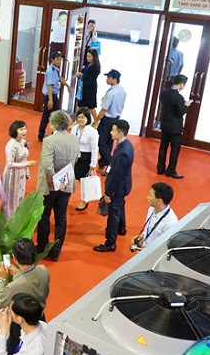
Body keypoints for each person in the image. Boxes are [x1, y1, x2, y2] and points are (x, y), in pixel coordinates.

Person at [36, 111, 79, 261]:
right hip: (66, 183)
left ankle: (42, 248)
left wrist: (55, 182)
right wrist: (61, 181)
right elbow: (75, 160)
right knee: (61, 218)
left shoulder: (49, 141)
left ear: (53, 124)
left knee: (44, 216)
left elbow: (47, 166)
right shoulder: (74, 139)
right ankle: (56, 252)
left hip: (49, 186)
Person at [94, 120, 134, 252]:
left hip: (117, 187)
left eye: (113, 130)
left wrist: (108, 193)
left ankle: (110, 242)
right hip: (124, 184)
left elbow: (117, 175)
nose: (111, 132)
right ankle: (121, 228)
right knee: (120, 206)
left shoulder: (122, 152)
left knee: (113, 212)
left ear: (120, 133)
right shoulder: (127, 145)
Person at [0, 238, 50, 313]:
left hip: (24, 319)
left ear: (14, 257)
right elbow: (31, 282)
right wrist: (19, 273)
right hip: (39, 314)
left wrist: (1, 279)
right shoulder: (43, 269)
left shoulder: (14, 287)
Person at [157, 74, 192, 179]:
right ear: (181, 84)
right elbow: (181, 111)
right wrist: (186, 105)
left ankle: (160, 168)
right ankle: (171, 170)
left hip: (165, 124)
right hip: (175, 127)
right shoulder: (179, 97)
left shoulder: (164, 93)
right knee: (175, 150)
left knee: (163, 147)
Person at [94, 69, 126, 173]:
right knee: (109, 142)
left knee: (101, 142)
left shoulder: (110, 93)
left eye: (108, 77)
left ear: (114, 79)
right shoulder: (122, 91)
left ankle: (111, 162)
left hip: (107, 120)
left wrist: (95, 121)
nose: (107, 79)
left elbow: (103, 109)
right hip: (116, 118)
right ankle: (103, 162)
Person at [3, 121, 36, 219]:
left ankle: (17, 218)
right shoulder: (11, 145)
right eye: (21, 129)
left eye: (25, 128)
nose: (24, 131)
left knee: (19, 197)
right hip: (12, 175)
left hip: (20, 173)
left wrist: (26, 171)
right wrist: (27, 164)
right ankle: (9, 220)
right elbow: (10, 164)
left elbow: (24, 158)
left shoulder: (22, 141)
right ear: (15, 131)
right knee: (11, 199)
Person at [133, 182, 179, 250]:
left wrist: (149, 250)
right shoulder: (152, 208)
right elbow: (150, 228)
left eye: (150, 195)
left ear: (159, 201)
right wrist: (142, 235)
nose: (147, 197)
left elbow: (166, 247)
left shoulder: (170, 223)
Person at [71, 107, 99, 210]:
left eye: (82, 117)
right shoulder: (74, 128)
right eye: (78, 117)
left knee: (84, 181)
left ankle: (84, 200)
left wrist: (93, 163)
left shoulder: (92, 131)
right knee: (72, 177)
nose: (80, 120)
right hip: (75, 157)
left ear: (88, 118)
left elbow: (95, 148)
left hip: (85, 158)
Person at [38, 51, 69, 141]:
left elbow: (60, 78)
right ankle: (43, 135)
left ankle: (45, 134)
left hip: (52, 95)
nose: (59, 61)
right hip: (50, 95)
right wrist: (50, 100)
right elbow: (49, 86)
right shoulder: (51, 71)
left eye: (60, 59)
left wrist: (67, 85)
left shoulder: (55, 69)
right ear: (52, 59)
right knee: (50, 115)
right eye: (57, 59)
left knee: (49, 115)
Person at [75, 48, 101, 120]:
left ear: (94, 57)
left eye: (89, 56)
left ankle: (96, 121)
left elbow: (92, 77)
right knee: (81, 105)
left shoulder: (96, 66)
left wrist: (82, 75)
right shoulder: (88, 64)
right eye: (87, 56)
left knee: (91, 106)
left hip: (90, 89)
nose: (87, 58)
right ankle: (77, 119)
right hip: (83, 88)